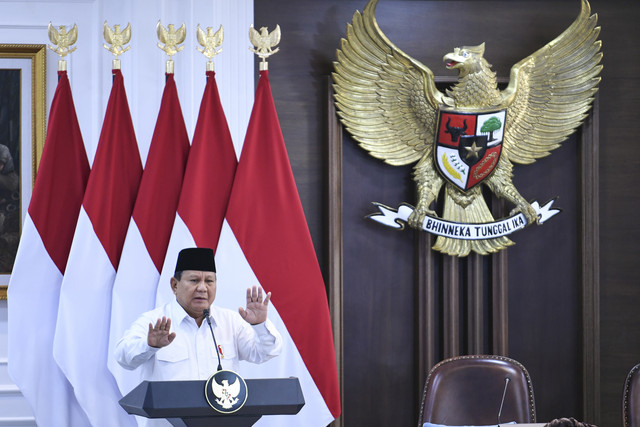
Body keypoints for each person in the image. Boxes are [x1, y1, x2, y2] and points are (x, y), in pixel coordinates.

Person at [115, 247, 283, 384]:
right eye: (194, 280)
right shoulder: (154, 322)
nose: (202, 288)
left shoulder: (230, 321)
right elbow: (123, 358)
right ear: (174, 285)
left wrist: (260, 325)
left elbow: (264, 353)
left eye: (209, 281)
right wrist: (150, 345)